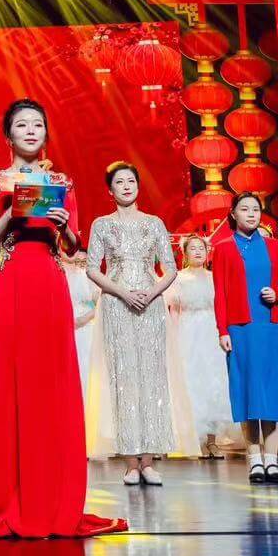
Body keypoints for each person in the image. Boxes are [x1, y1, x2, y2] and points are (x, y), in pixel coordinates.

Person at [0, 98, 118, 538]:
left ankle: (53, 498)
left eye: (37, 125)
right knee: (9, 383)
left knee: (50, 383)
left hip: (48, 282)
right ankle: (6, 498)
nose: (31, 131)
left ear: (46, 134)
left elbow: (72, 247)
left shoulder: (61, 183)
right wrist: (12, 212)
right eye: (22, 125)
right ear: (8, 135)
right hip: (10, 281)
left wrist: (65, 225)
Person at [86, 162, 177, 486]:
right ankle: (130, 463)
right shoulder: (101, 224)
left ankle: (149, 461)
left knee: (152, 378)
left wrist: (151, 293)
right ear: (110, 191)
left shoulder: (154, 223)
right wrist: (123, 293)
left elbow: (170, 267)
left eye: (131, 181)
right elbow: (92, 268)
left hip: (151, 306)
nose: (126, 186)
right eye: (119, 182)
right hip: (116, 304)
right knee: (123, 378)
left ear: (138, 186)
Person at [211, 193, 278, 485]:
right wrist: (222, 330)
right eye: (244, 209)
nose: (251, 214)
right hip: (240, 328)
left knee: (271, 391)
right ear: (233, 214)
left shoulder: (274, 246)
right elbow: (220, 293)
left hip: (268, 325)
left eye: (256, 209)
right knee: (247, 390)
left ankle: (272, 460)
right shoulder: (223, 248)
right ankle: (254, 459)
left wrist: (277, 292)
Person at [165, 235, 234, 458]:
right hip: (188, 333)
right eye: (193, 248)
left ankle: (212, 441)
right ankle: (191, 439)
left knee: (213, 383)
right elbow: (174, 311)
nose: (197, 252)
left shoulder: (215, 277)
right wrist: (173, 338)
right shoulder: (178, 278)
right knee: (190, 382)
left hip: (211, 333)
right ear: (185, 253)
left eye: (201, 248)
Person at [64, 246, 109, 459]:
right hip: (64, 329)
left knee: (88, 377)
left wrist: (85, 318)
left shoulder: (89, 278)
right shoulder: (59, 274)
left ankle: (90, 435)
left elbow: (101, 303)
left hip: (85, 329)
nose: (79, 262)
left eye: (83, 260)